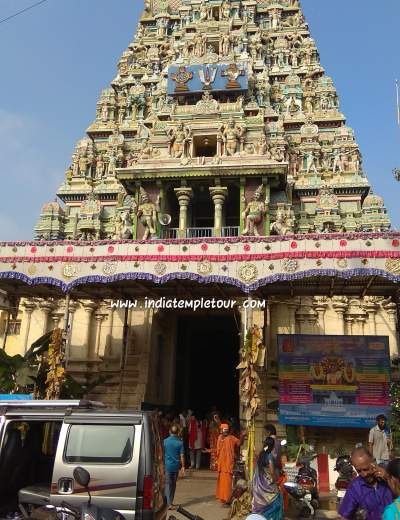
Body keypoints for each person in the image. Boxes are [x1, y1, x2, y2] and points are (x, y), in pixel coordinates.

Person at [338, 447, 394, 520]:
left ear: (373, 462)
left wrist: (388, 478)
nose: (364, 474)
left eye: (366, 469)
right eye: (359, 471)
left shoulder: (390, 478)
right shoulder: (355, 487)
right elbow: (344, 516)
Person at [252, 437, 284, 519]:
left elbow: (257, 457)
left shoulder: (261, 454)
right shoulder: (269, 456)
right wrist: (275, 481)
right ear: (273, 446)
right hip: (268, 484)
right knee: (277, 497)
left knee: (263, 502)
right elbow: (272, 471)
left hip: (260, 485)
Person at [216, 423, 245, 506]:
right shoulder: (219, 438)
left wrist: (242, 436)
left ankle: (228, 500)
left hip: (228, 465)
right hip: (221, 465)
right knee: (222, 483)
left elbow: (239, 443)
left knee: (228, 484)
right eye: (224, 430)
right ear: (221, 431)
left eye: (226, 430)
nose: (225, 432)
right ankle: (223, 499)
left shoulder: (231, 438)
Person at [163, 425, 185, 510]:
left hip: (167, 466)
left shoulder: (165, 441)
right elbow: (182, 456)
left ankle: (168, 503)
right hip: (175, 467)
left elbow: (161, 454)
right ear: (177, 432)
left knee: (168, 484)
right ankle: (170, 502)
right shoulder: (180, 442)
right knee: (173, 484)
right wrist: (183, 466)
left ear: (170, 431)